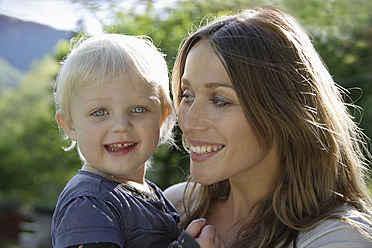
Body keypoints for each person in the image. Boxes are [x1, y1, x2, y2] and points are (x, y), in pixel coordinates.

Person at [165, 6, 372, 247]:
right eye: (187, 95)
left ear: (283, 111)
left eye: (220, 100)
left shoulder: (340, 238)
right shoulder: (174, 206)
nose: (188, 122)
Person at [51, 33, 207, 248]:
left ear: (162, 116)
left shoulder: (148, 193)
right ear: (70, 125)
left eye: (138, 109)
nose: (121, 126)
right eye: (99, 112)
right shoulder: (88, 204)